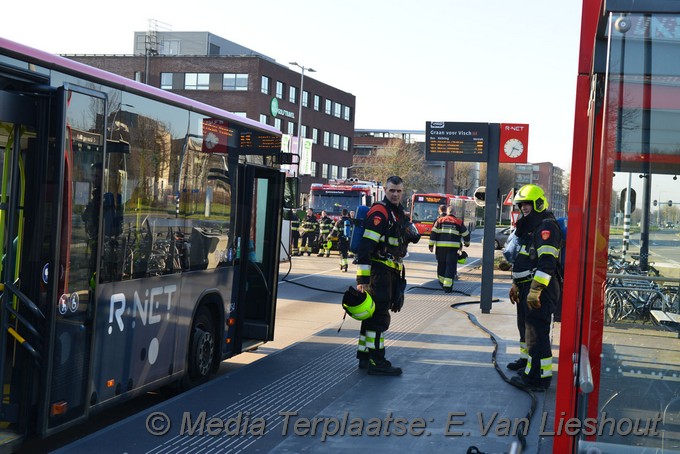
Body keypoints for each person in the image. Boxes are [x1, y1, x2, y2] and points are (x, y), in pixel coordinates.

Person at [355, 175, 419, 376]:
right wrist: (362, 280)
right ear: (385, 190)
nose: (395, 194)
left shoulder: (398, 213)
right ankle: (377, 360)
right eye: (392, 190)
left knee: (371, 316)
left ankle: (364, 356)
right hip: (379, 272)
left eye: (399, 191)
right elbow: (365, 247)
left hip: (391, 271)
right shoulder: (380, 212)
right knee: (379, 317)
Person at [506, 184, 562, 392]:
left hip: (539, 289)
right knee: (529, 330)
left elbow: (547, 263)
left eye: (527, 205)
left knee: (537, 333)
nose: (524, 209)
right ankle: (531, 367)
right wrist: (515, 282)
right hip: (525, 286)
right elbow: (523, 258)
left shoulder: (546, 228)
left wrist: (536, 290)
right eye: (521, 206)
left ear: (538, 204)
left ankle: (537, 378)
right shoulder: (531, 227)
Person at [428, 205, 470, 293]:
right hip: (453, 250)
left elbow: (433, 234)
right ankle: (447, 287)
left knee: (441, 266)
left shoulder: (439, 221)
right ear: (454, 213)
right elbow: (466, 234)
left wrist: (431, 245)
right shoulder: (458, 222)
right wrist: (467, 243)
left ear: (447, 212)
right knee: (450, 267)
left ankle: (442, 282)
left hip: (440, 249)